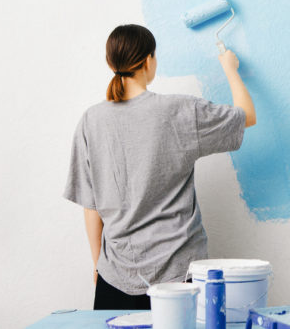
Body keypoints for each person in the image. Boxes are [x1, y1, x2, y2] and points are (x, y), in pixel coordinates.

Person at [63, 24, 256, 310]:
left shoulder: (90, 121)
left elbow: (91, 205)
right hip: (180, 278)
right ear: (148, 61)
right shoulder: (179, 111)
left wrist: (97, 265)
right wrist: (230, 68)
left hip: (114, 277)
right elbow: (247, 116)